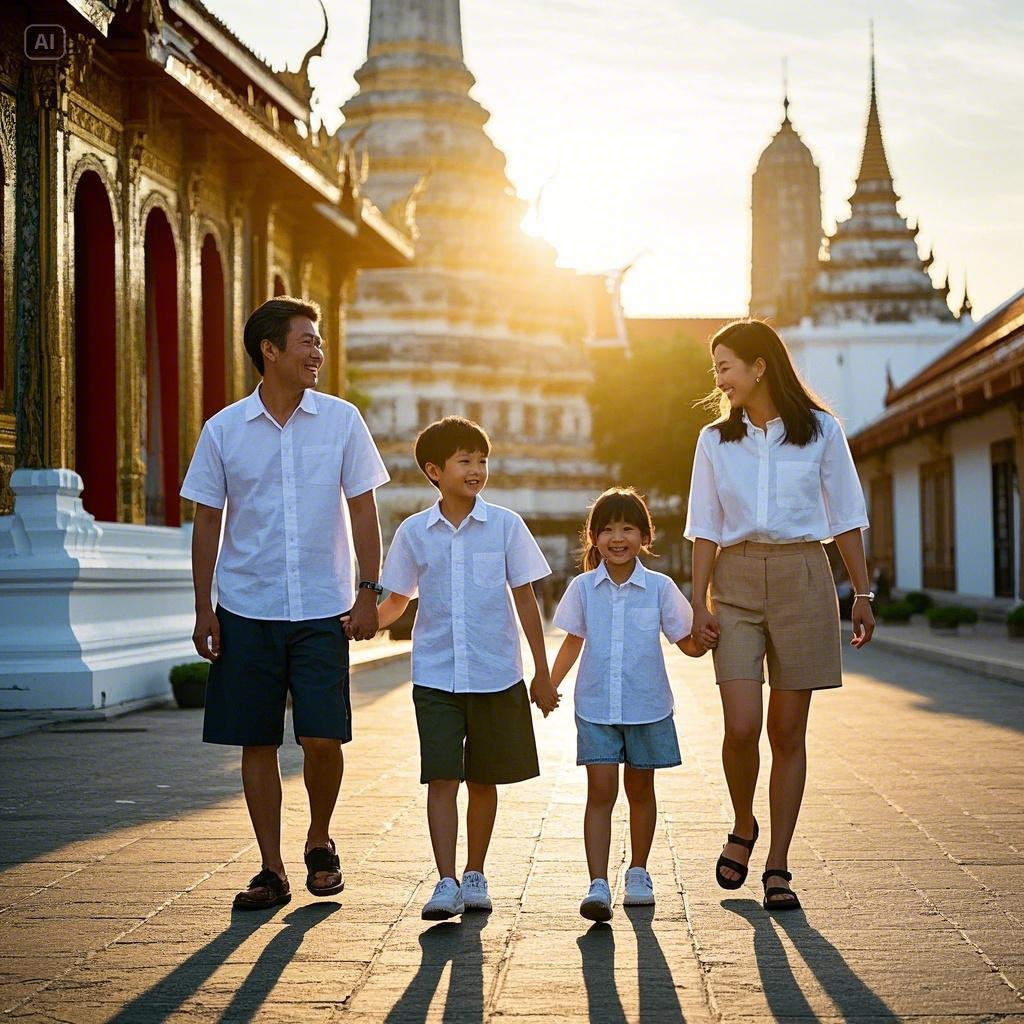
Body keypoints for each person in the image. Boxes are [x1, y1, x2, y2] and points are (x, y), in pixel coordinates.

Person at [181, 296, 389, 911]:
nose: (318, 352)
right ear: (270, 350)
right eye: (307, 341)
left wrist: (369, 591)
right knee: (257, 741)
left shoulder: (342, 421)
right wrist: (203, 608)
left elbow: (363, 509)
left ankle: (319, 839)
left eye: (319, 341)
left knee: (324, 738)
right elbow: (206, 522)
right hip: (247, 605)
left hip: (324, 606)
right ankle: (271, 869)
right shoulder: (223, 430)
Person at [685, 319, 874, 912]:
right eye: (716, 368)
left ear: (759, 365)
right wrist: (697, 601)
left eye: (725, 367)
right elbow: (704, 526)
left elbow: (846, 515)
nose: (719, 379)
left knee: (787, 732)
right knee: (741, 725)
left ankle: (778, 864)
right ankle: (744, 823)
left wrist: (862, 594)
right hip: (735, 580)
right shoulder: (714, 440)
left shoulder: (821, 431)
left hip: (803, 576)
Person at [373, 416, 557, 921]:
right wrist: (358, 622)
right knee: (441, 777)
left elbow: (526, 601)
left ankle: (475, 873)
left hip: (496, 674)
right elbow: (396, 602)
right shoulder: (414, 532)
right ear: (434, 470)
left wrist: (542, 672)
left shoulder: (506, 526)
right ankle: (446, 880)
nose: (476, 470)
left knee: (483, 779)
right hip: (435, 676)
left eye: (482, 460)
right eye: (465, 461)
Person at [550, 487, 715, 922]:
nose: (617, 538)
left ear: (645, 535)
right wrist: (548, 684)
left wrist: (707, 638)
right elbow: (572, 641)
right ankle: (597, 883)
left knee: (641, 790)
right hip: (596, 706)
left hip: (647, 706)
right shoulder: (583, 588)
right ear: (593, 537)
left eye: (627, 528)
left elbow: (685, 642)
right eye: (607, 529)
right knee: (601, 790)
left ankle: (639, 871)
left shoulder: (660, 588)